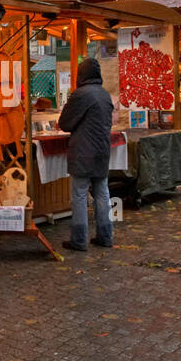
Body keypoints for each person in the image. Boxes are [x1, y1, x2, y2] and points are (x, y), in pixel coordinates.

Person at [57, 57, 113, 252]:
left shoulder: (80, 95)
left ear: (81, 75)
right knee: (102, 193)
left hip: (82, 153)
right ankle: (106, 236)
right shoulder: (105, 95)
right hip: (102, 152)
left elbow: (65, 123)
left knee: (80, 195)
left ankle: (79, 239)